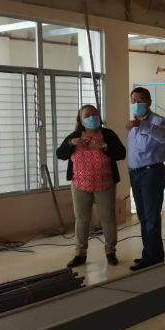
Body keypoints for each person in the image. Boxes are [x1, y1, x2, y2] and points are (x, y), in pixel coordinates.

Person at [56, 105, 126, 268]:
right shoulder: (74, 136)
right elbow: (60, 154)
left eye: (95, 114)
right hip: (80, 185)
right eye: (87, 115)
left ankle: (110, 251)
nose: (92, 117)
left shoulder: (108, 135)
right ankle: (80, 254)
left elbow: (121, 153)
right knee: (82, 220)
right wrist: (71, 143)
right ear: (80, 120)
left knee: (108, 218)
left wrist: (103, 146)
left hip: (105, 183)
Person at [127, 87, 165, 271]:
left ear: (149, 102)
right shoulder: (131, 124)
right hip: (135, 174)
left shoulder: (158, 121)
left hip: (152, 173)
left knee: (152, 216)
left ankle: (153, 257)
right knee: (143, 216)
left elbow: (164, 136)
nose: (137, 104)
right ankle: (150, 254)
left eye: (141, 100)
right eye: (134, 100)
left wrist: (143, 126)